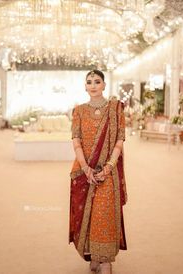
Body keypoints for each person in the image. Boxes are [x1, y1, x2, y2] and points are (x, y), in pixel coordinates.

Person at [69, 70, 127, 274]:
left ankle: (105, 261)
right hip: (83, 172)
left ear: (104, 85)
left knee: (104, 214)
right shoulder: (78, 111)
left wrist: (110, 166)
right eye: (89, 82)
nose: (93, 85)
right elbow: (76, 141)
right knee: (88, 214)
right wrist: (85, 168)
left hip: (107, 172)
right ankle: (92, 254)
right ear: (85, 87)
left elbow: (120, 139)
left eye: (97, 81)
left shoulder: (115, 109)